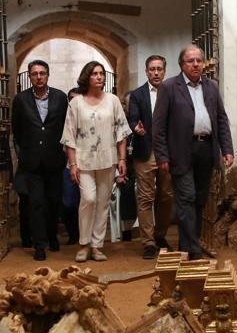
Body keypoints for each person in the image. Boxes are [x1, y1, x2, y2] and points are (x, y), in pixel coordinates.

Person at [152, 45, 234, 261]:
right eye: (191, 61)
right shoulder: (170, 87)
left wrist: (227, 149)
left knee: (199, 200)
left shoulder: (211, 87)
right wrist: (162, 156)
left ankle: (187, 244)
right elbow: (158, 126)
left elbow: (221, 119)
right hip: (181, 151)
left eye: (199, 60)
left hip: (206, 149)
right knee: (186, 198)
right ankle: (194, 250)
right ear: (182, 65)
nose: (196, 64)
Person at [61, 61, 131, 263]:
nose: (99, 77)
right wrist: (72, 164)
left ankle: (97, 245)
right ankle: (83, 244)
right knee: (88, 199)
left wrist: (122, 159)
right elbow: (69, 136)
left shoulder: (113, 100)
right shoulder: (76, 103)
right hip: (83, 160)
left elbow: (122, 131)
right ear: (87, 77)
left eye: (101, 73)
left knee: (102, 203)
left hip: (108, 159)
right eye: (95, 74)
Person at [11, 60, 69, 261]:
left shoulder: (60, 98)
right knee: (36, 203)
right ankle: (39, 245)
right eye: (34, 74)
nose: (38, 77)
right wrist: (23, 153)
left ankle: (53, 235)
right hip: (32, 161)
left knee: (54, 201)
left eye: (42, 73)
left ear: (48, 75)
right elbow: (16, 130)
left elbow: (66, 127)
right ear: (29, 76)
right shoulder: (21, 100)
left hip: (54, 160)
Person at [126, 54, 174, 259]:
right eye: (152, 69)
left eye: (159, 69)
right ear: (146, 72)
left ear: (164, 71)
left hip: (168, 153)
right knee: (145, 197)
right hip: (145, 152)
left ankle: (160, 234)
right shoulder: (137, 95)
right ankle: (148, 242)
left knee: (166, 196)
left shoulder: (173, 92)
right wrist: (135, 127)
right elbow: (132, 119)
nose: (156, 72)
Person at [60, 88, 82, 245]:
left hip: (89, 166)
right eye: (71, 99)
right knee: (68, 203)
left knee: (87, 202)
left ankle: (85, 236)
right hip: (68, 166)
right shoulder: (64, 118)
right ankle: (73, 233)